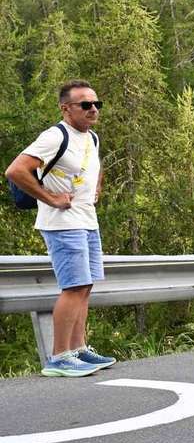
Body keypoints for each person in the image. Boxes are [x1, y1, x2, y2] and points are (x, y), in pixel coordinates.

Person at [4, 80, 116, 377]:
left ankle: (78, 349)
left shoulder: (91, 137)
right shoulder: (55, 136)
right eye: (85, 105)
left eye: (96, 104)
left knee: (86, 285)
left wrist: (96, 188)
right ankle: (59, 356)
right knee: (74, 286)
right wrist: (51, 198)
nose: (93, 109)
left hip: (86, 220)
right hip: (63, 224)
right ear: (66, 109)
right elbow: (15, 170)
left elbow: (93, 167)